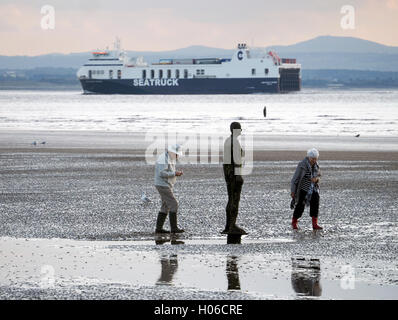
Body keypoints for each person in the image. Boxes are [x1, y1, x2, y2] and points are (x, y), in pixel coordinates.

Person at [222, 122, 247, 235]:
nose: (241, 131)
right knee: (234, 200)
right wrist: (238, 175)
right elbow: (237, 160)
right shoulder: (234, 142)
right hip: (234, 175)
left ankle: (228, 226)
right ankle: (232, 226)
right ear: (236, 130)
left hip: (228, 174)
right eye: (240, 129)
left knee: (230, 198)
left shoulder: (228, 141)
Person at [154, 144, 184, 234]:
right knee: (174, 204)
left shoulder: (169, 157)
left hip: (165, 184)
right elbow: (162, 173)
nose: (177, 156)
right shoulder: (163, 159)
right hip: (162, 185)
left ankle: (159, 229)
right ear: (171, 151)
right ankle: (174, 228)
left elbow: (167, 171)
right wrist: (175, 173)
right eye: (176, 154)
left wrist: (174, 173)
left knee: (165, 206)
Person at [290, 148, 323, 230]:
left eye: (315, 158)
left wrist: (316, 179)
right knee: (300, 206)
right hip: (303, 189)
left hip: (314, 189)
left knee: (315, 204)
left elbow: (319, 176)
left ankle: (315, 224)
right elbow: (295, 179)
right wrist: (293, 191)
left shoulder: (316, 165)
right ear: (309, 157)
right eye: (313, 158)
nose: (314, 160)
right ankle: (294, 222)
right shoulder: (302, 165)